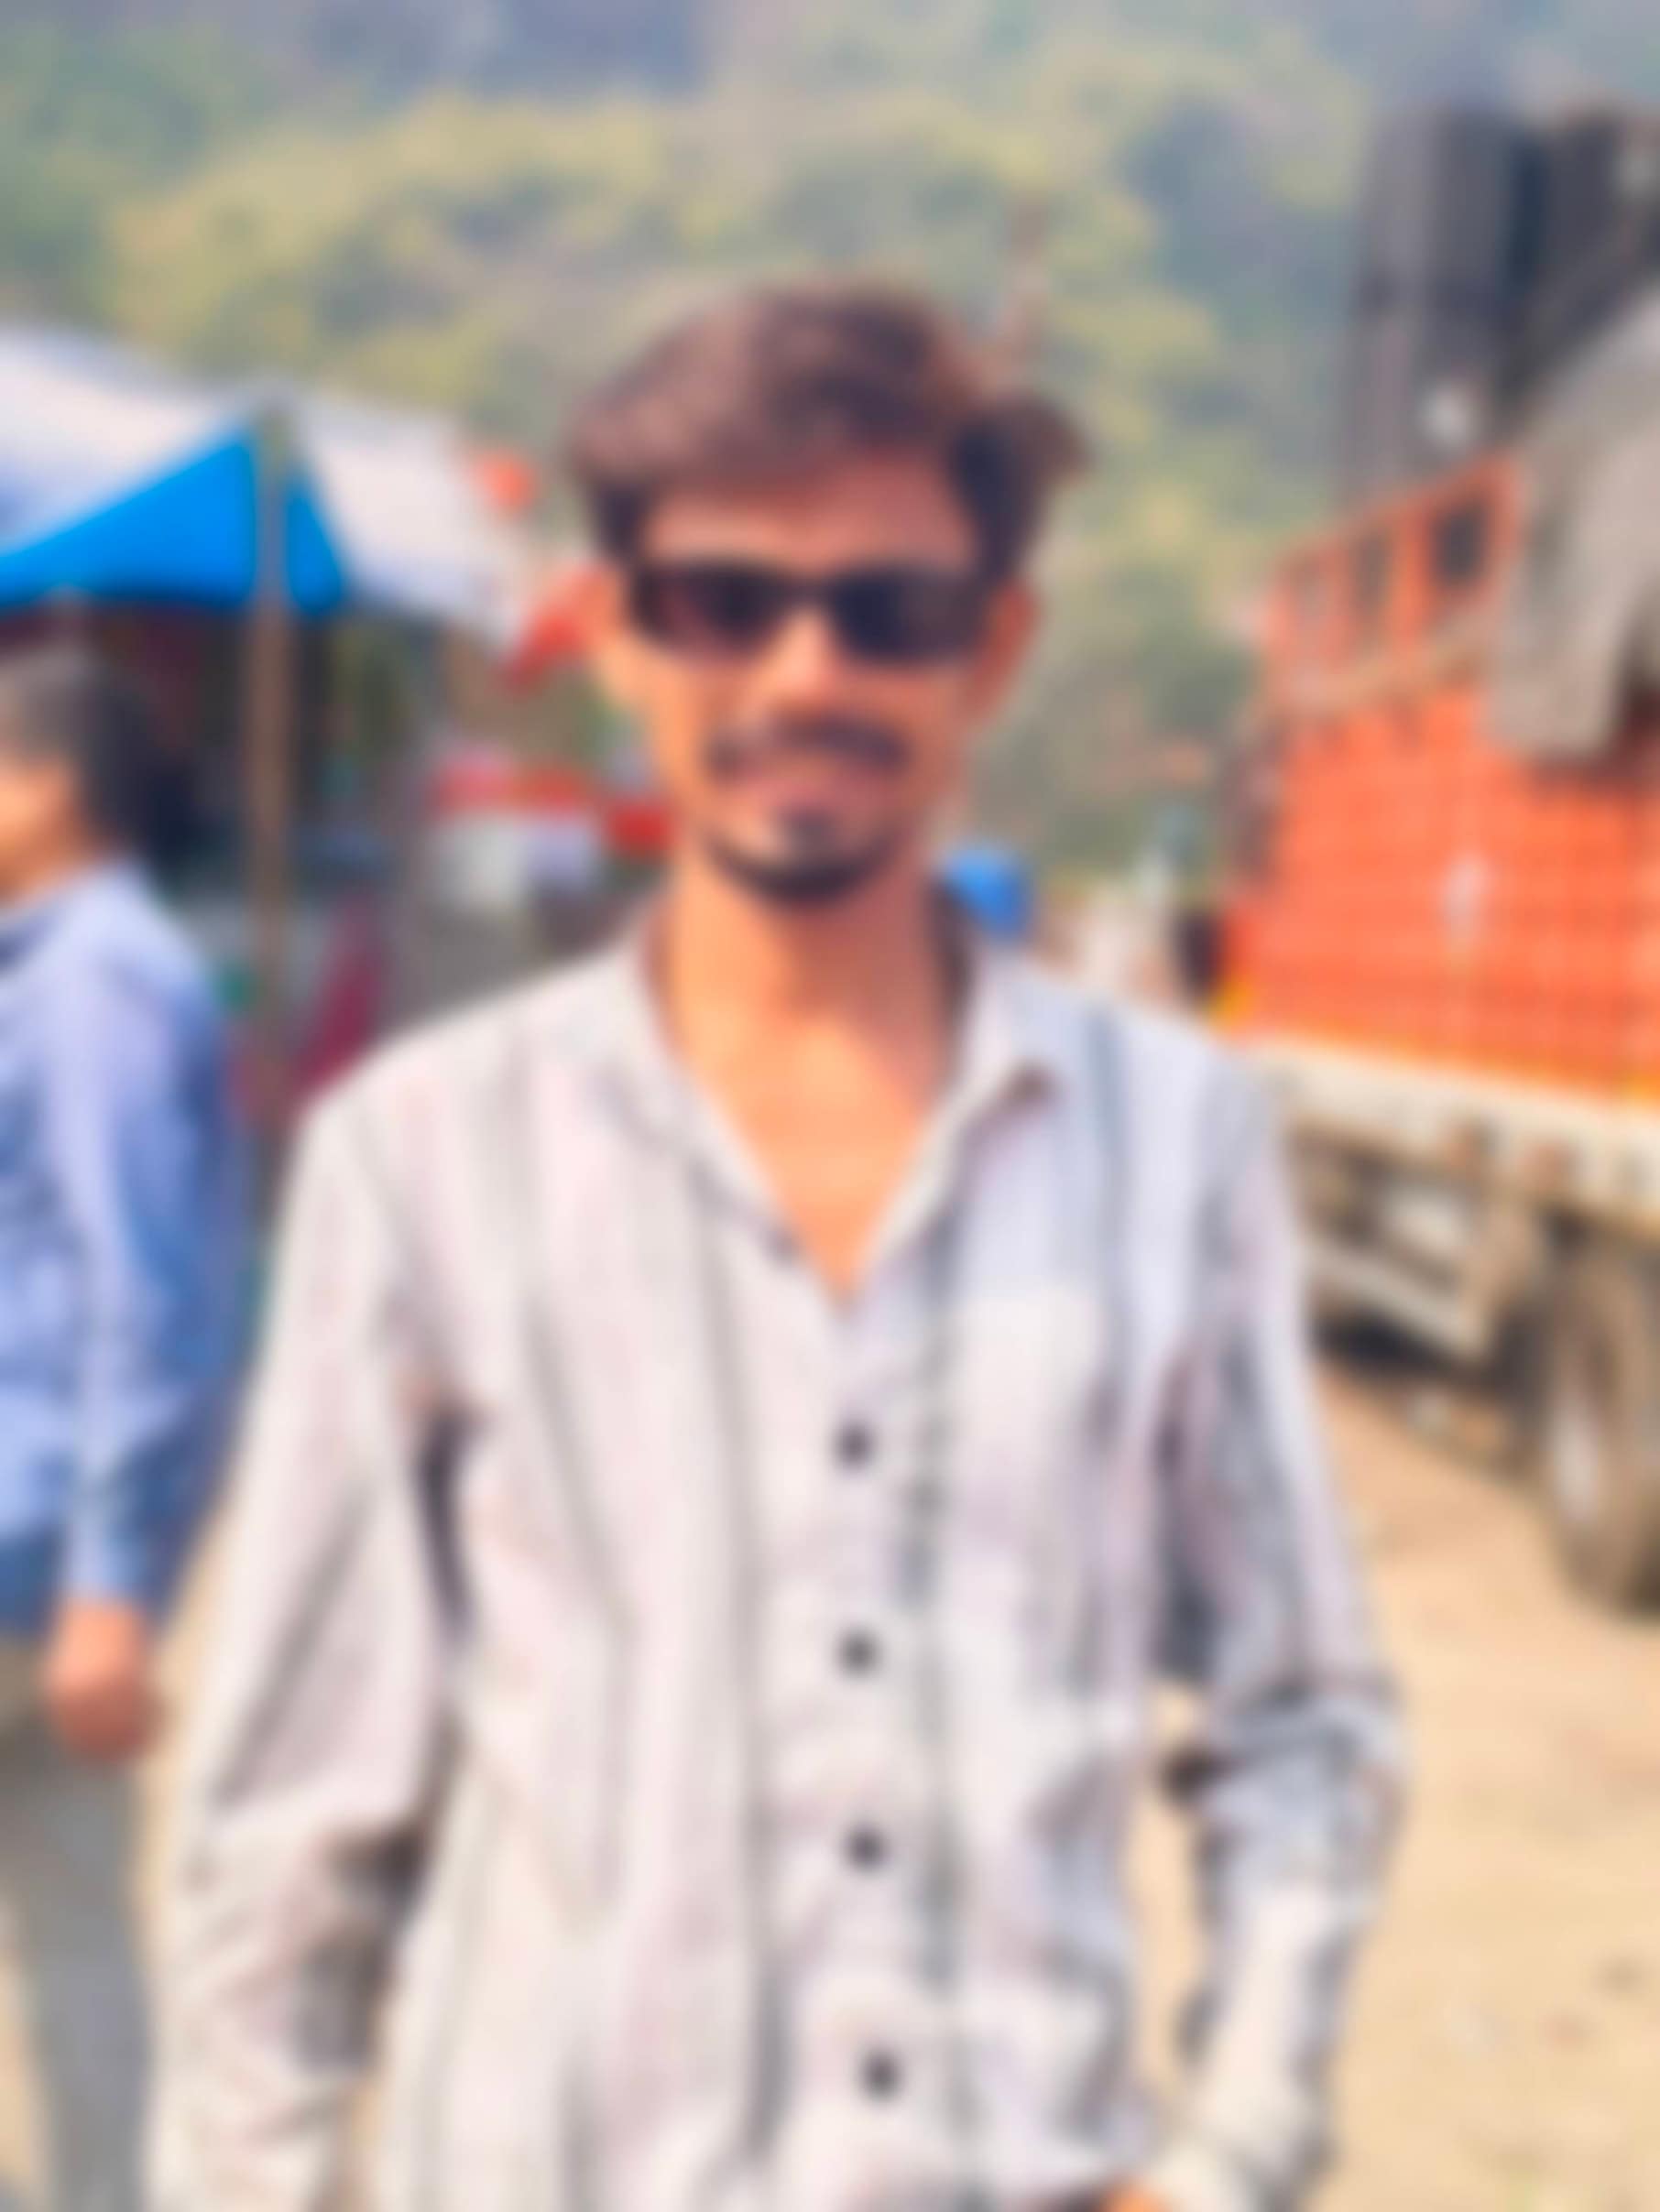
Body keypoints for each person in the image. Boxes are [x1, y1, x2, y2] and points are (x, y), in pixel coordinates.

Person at [154, 285, 1403, 2212]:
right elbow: (288, 1822)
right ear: (617, 631)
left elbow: (1301, 1716)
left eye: (890, 611)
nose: (807, 674)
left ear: (992, 649)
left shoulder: (1178, 1142)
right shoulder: (422, 1155)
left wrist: (1233, 2155)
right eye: (726, 601)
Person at [0, 644, 244, 2211]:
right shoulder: (75, 970)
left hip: (28, 1539)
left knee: (75, 1928)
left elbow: (147, 1299)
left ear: (47, 788)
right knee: (71, 1924)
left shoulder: (94, 983)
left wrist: (111, 1582)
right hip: (46, 1541)